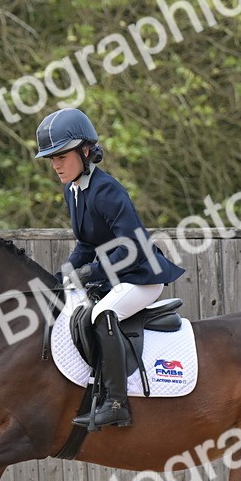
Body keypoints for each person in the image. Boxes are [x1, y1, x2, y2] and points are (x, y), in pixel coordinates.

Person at [35, 107, 185, 429]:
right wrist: (66, 272)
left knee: (102, 315)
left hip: (142, 276)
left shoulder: (106, 189)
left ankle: (117, 403)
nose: (56, 164)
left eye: (61, 155)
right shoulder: (73, 190)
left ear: (85, 150)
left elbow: (134, 247)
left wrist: (93, 272)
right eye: (52, 158)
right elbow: (87, 243)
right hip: (115, 277)